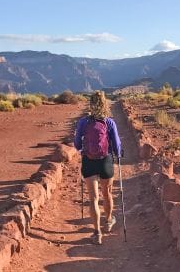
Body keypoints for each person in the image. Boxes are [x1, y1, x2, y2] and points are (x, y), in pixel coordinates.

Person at [74, 91, 122, 245]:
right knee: (107, 194)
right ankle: (108, 221)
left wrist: (83, 151)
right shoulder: (109, 122)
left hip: (88, 161)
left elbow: (76, 143)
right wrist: (118, 155)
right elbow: (117, 145)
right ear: (105, 104)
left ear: (91, 104)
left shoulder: (83, 122)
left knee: (93, 198)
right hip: (105, 162)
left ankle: (97, 233)